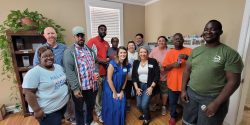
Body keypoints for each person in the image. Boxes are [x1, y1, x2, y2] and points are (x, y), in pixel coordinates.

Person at [181, 20, 244, 125]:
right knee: (187, 122)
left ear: (220, 32)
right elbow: (187, 71)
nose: (208, 32)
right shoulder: (195, 51)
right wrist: (183, 90)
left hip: (212, 98)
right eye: (206, 29)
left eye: (212, 29)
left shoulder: (230, 54)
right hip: (191, 95)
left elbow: (233, 82)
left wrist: (217, 103)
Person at [22, 46, 69, 125]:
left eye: (51, 55)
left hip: (61, 106)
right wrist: (37, 111)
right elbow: (28, 93)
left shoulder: (58, 67)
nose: (49, 58)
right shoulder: (34, 73)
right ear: (39, 57)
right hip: (48, 112)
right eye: (45, 56)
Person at [63, 26, 99, 125]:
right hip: (80, 88)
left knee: (90, 107)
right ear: (74, 37)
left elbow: (96, 62)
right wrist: (75, 88)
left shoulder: (89, 50)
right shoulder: (69, 52)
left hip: (92, 87)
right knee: (79, 109)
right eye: (78, 36)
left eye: (82, 35)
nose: (80, 38)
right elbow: (69, 71)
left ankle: (89, 122)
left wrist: (96, 72)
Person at [162, 33, 192, 125]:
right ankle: (173, 116)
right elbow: (164, 68)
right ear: (173, 41)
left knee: (187, 103)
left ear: (183, 40)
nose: (178, 40)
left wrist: (187, 57)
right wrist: (173, 65)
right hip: (173, 83)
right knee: (172, 102)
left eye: (179, 39)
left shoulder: (190, 50)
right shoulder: (170, 52)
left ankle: (186, 117)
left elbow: (196, 63)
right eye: (176, 39)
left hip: (187, 83)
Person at [86, 24, 110, 123]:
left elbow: (108, 57)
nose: (103, 31)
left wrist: (108, 60)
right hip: (97, 73)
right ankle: (99, 113)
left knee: (105, 94)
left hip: (106, 73)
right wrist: (102, 61)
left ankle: (104, 111)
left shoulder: (106, 43)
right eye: (101, 29)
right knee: (98, 96)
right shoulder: (92, 41)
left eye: (105, 30)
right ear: (98, 30)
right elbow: (89, 56)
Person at [132, 46, 160, 125]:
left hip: (149, 86)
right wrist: (136, 88)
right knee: (138, 105)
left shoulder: (152, 61)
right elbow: (134, 76)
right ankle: (145, 114)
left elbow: (157, 75)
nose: (143, 54)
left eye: (145, 52)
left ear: (147, 53)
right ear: (139, 53)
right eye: (141, 52)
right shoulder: (136, 62)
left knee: (144, 105)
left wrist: (151, 87)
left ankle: (147, 118)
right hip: (139, 86)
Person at [102, 46, 130, 125]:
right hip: (110, 88)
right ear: (117, 54)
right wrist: (114, 92)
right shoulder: (112, 63)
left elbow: (125, 79)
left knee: (121, 104)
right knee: (113, 106)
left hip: (120, 88)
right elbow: (109, 79)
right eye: (121, 52)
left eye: (124, 53)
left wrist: (122, 91)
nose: (123, 54)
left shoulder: (126, 65)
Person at [149, 36, 170, 115]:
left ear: (166, 42)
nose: (161, 42)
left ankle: (164, 106)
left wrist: (164, 67)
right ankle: (156, 104)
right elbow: (149, 59)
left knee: (164, 92)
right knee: (156, 92)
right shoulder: (154, 50)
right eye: (159, 41)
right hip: (155, 76)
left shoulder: (169, 51)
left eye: (163, 41)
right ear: (157, 42)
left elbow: (172, 63)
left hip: (165, 75)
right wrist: (155, 62)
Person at [126, 40, 138, 111]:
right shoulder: (125, 54)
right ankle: (128, 104)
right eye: (129, 45)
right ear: (127, 47)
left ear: (135, 46)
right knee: (128, 91)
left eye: (132, 45)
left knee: (137, 90)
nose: (131, 46)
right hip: (127, 77)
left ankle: (138, 104)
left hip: (136, 77)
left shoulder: (138, 54)